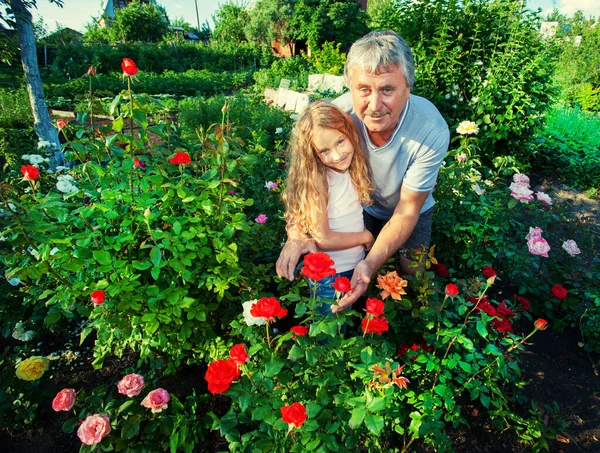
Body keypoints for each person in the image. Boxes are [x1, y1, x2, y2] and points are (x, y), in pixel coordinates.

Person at [276, 30, 450, 313]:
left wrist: (371, 261)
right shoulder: (337, 118)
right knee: (355, 275)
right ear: (351, 88)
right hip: (363, 207)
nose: (374, 105)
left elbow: (407, 211)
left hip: (408, 208)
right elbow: (304, 175)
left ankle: (418, 323)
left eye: (388, 90)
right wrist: (295, 232)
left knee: (413, 273)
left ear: (408, 88)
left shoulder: (430, 129)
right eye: (364, 90)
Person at [282, 100, 374, 308]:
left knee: (346, 324)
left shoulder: (344, 171)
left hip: (351, 266)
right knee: (330, 330)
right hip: (330, 276)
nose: (336, 155)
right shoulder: (319, 181)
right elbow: (323, 238)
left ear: (349, 132)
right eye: (324, 151)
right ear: (312, 154)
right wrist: (365, 236)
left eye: (340, 141)